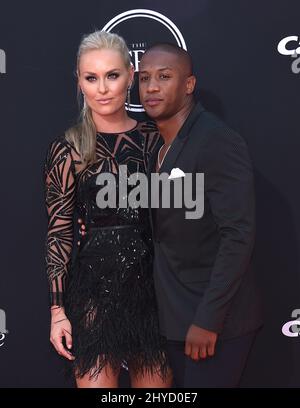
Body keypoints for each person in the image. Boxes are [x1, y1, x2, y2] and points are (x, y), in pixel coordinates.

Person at [43, 31, 173, 388]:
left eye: (112, 76)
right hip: (93, 298)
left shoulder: (156, 140)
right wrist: (58, 312)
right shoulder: (68, 149)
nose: (102, 88)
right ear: (80, 82)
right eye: (91, 78)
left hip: (152, 295)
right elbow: (59, 231)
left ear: (130, 77)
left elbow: (176, 217)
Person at [137, 43, 263, 387]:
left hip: (216, 324)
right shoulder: (159, 148)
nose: (151, 87)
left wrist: (209, 320)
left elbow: (238, 235)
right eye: (144, 77)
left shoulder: (216, 140)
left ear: (189, 85)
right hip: (175, 318)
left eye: (164, 77)